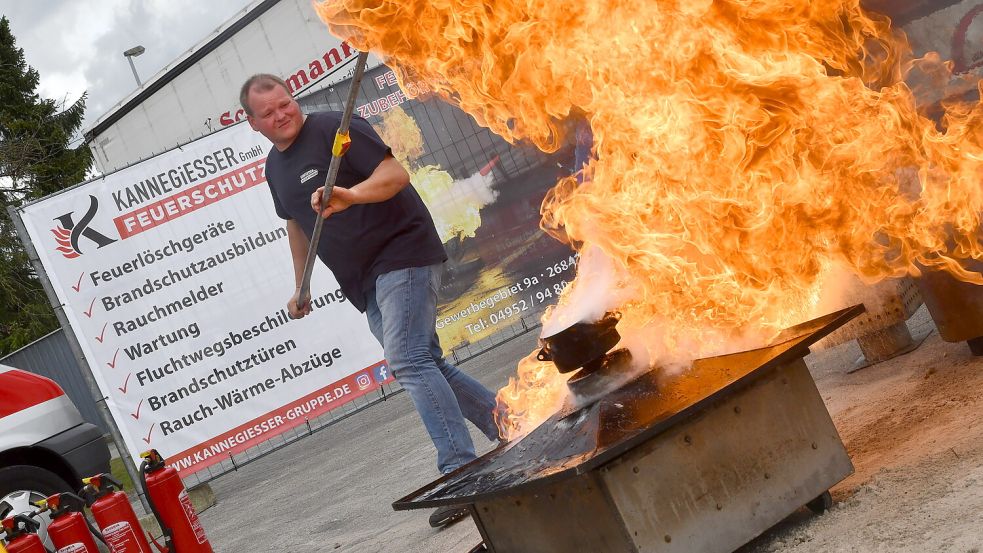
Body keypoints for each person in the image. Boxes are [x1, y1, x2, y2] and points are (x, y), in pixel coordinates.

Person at [240, 74, 500, 527]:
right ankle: (510, 423)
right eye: (269, 112)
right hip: (363, 281)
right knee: (424, 362)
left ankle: (462, 474)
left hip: (403, 252)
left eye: (285, 103)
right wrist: (300, 285)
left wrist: (350, 195)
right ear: (252, 123)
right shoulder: (273, 169)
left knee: (408, 358)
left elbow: (395, 174)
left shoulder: (332, 131)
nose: (282, 115)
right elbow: (298, 225)